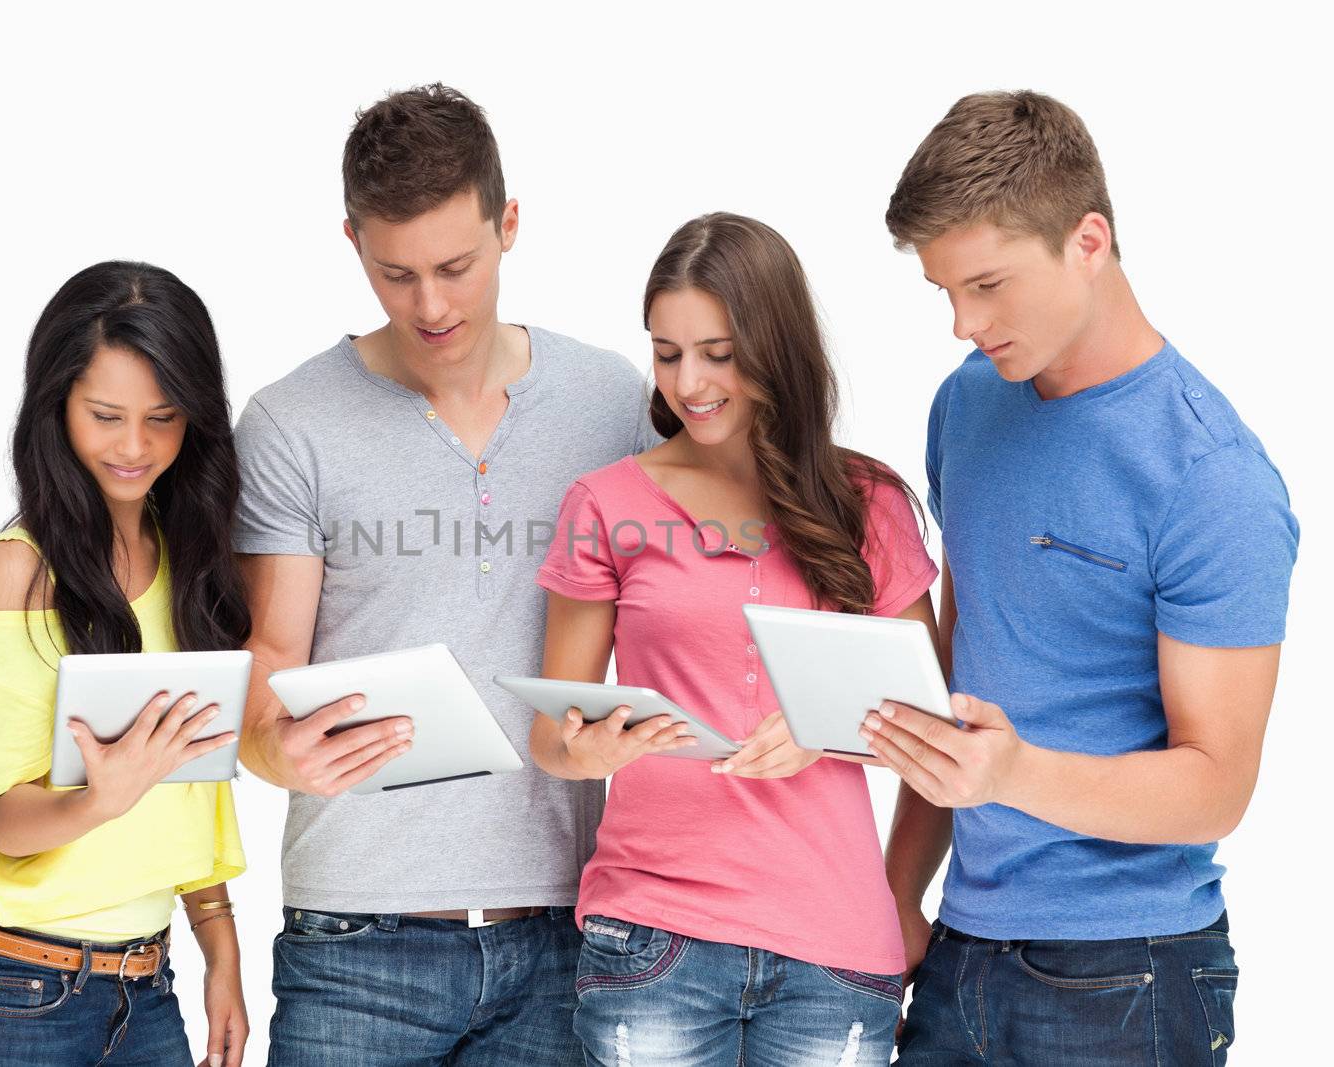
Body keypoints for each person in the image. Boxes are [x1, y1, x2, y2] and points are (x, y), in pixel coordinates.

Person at [871, 91, 1299, 1066]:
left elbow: (1215, 786)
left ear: (1087, 239)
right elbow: (958, 674)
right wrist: (899, 889)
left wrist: (1014, 772)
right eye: (943, 292)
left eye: (986, 285)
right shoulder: (968, 405)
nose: (961, 324)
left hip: (1128, 976)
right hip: (959, 954)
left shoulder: (1210, 477)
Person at [231, 84, 654, 1065]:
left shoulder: (606, 401)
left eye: (456, 267)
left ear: (509, 224)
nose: (430, 305)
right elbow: (272, 652)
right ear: (352, 242)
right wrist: (270, 750)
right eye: (395, 272)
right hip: (354, 935)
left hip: (558, 928)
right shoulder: (291, 420)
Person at [532, 212, 939, 1067]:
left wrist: (827, 726)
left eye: (718, 352)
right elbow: (551, 737)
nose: (690, 381)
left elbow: (935, 735)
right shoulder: (605, 503)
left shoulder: (868, 501)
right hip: (653, 939)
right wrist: (595, 747)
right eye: (667, 351)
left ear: (773, 344)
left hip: (837, 946)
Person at [0, 262, 253, 1067]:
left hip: (147, 986)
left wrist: (221, 947)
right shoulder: (17, 571)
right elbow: (5, 821)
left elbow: (187, 784)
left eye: (163, 418)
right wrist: (102, 798)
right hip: (8, 990)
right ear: (57, 404)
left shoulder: (190, 563)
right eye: (105, 416)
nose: (135, 447)